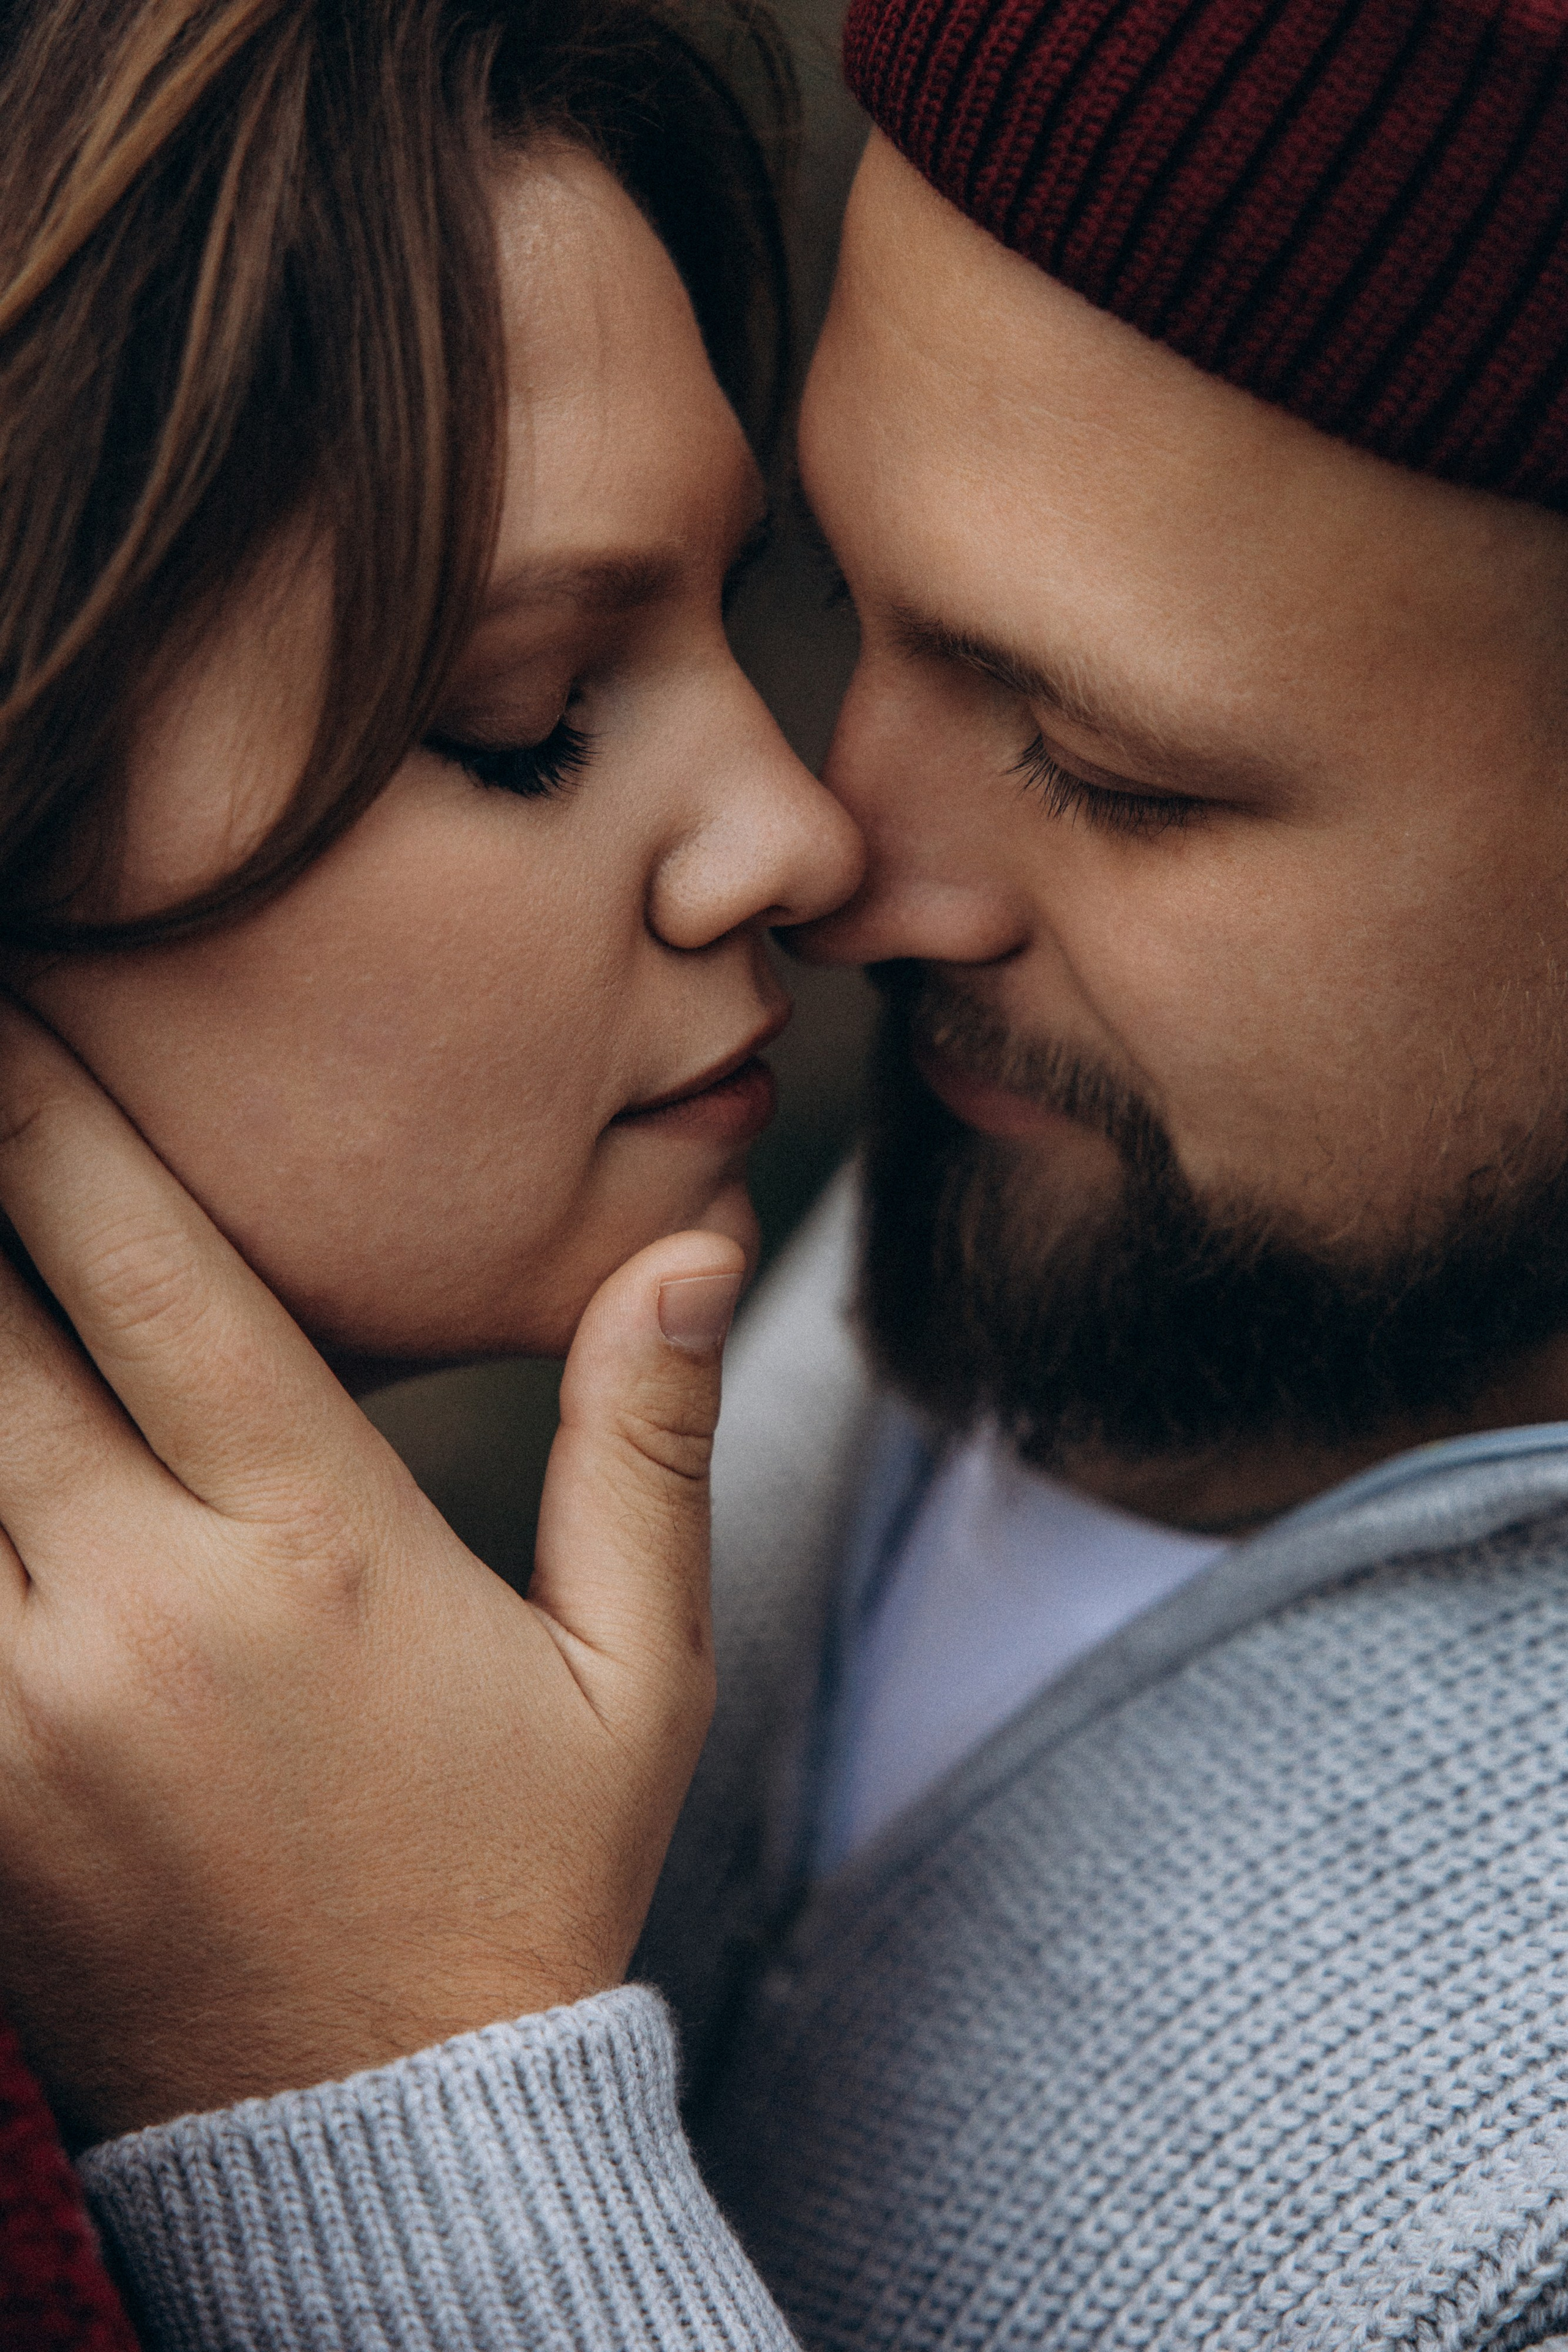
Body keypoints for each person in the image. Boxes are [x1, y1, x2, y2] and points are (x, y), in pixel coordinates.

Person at [12, 0, 1568, 2345]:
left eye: (1114, 771)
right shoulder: (1006, 1174)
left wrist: (402, 2124)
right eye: (836, 603)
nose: (832, 852)